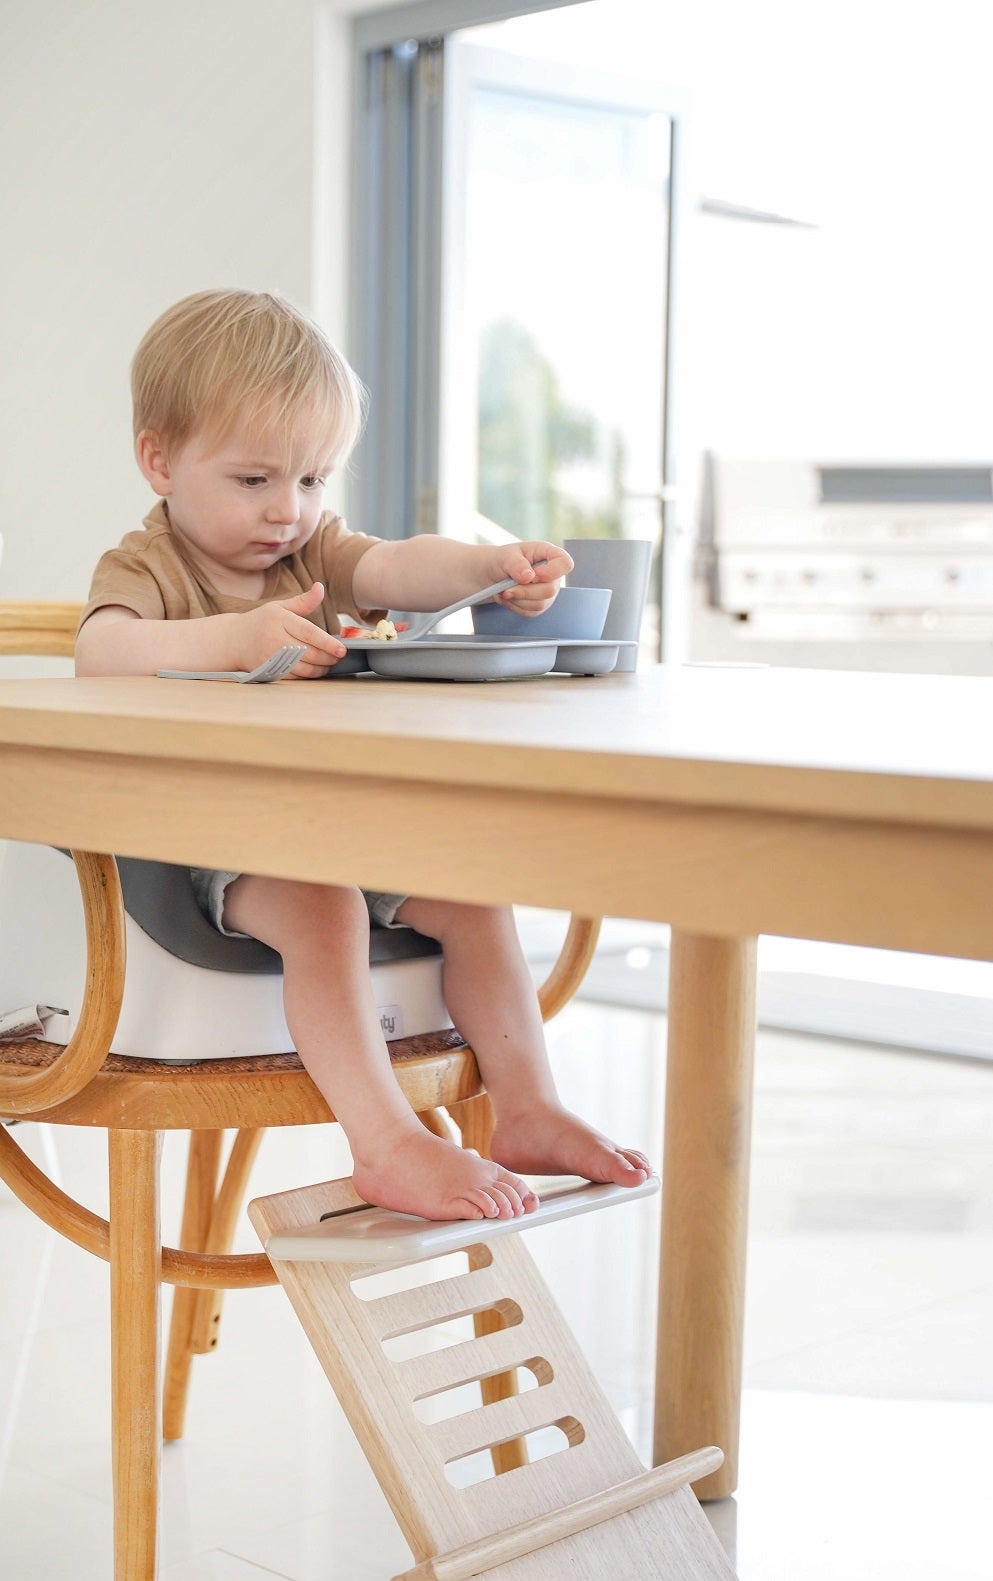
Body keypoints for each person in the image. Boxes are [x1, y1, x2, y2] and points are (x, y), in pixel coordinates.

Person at [76, 288, 651, 1221]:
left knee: (470, 891)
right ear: (160, 460)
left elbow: (393, 565)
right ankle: (384, 1142)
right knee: (326, 909)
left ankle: (530, 1108)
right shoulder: (147, 567)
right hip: (187, 848)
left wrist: (483, 569)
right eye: (255, 480)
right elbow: (99, 653)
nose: (287, 511)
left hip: (314, 826)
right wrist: (228, 639)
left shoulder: (311, 554)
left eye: (311, 481)